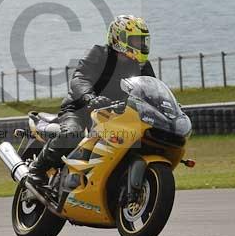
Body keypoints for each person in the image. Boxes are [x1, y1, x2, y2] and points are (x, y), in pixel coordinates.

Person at [26, 15, 155, 187]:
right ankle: (37, 170)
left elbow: (152, 89)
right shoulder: (99, 54)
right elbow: (80, 78)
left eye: (143, 41)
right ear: (119, 38)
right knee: (73, 133)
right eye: (136, 41)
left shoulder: (142, 66)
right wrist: (89, 97)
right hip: (80, 109)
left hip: (114, 114)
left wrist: (167, 106)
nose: (141, 46)